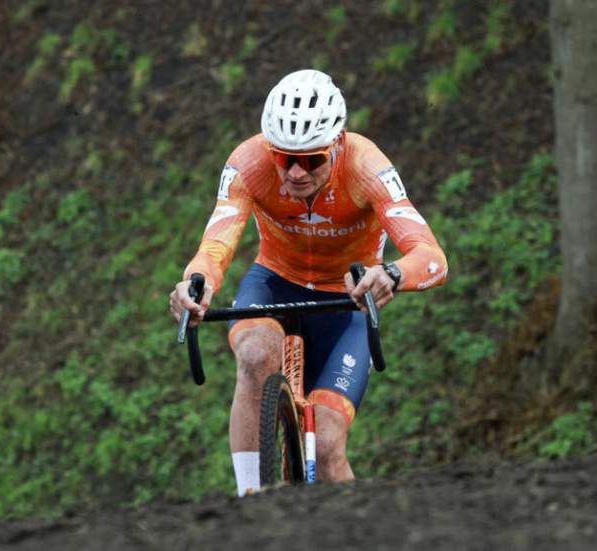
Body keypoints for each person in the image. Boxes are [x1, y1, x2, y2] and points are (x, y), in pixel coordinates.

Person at [168, 69, 448, 496]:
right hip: (276, 283)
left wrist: (392, 274)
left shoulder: (366, 166)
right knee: (256, 354)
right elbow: (216, 243)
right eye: (284, 158)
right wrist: (197, 280)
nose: (296, 173)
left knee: (330, 444)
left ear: (337, 144)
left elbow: (432, 259)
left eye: (312, 160)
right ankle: (250, 501)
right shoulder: (249, 163)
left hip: (345, 300)